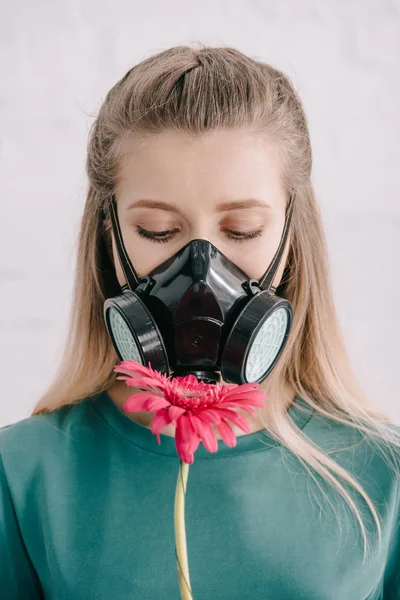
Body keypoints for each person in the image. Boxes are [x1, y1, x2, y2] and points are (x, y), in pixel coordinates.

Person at [1, 44, 399, 599]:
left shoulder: (381, 477)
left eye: (241, 231)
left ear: (291, 237)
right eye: (159, 231)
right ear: (108, 234)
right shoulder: (22, 475)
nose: (200, 275)